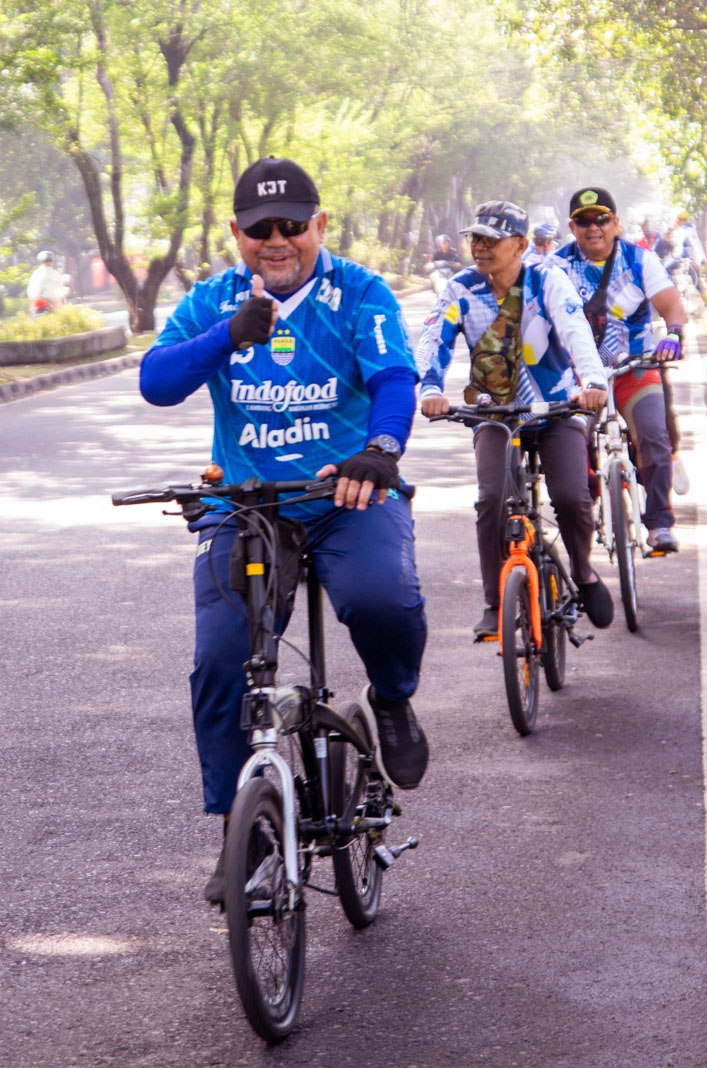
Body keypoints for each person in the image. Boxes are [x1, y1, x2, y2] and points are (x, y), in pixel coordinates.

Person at [139, 156, 429, 906]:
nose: (278, 239)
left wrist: (382, 448)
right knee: (221, 661)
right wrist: (227, 337)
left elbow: (396, 378)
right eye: (261, 229)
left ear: (319, 226)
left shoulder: (358, 292)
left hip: (346, 492)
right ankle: (247, 832)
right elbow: (157, 382)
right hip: (248, 504)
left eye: (292, 225)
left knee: (381, 599)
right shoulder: (217, 299)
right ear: (236, 234)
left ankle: (392, 699)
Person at [417, 200, 613, 639]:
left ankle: (582, 572)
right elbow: (434, 336)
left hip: (557, 408)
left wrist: (593, 380)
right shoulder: (460, 288)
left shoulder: (547, 279)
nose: (481, 248)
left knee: (572, 496)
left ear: (522, 244)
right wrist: (430, 388)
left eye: (492, 239)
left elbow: (574, 330)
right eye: (476, 239)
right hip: (494, 411)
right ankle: (494, 600)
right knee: (491, 499)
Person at [553, 187, 687, 554]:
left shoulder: (640, 261)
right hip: (581, 375)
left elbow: (672, 307)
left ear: (616, 223)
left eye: (602, 219)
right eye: (583, 221)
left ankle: (659, 523)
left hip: (634, 368)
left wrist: (673, 334)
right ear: (572, 226)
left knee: (655, 436)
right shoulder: (556, 266)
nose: (593, 227)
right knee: (569, 446)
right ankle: (591, 498)